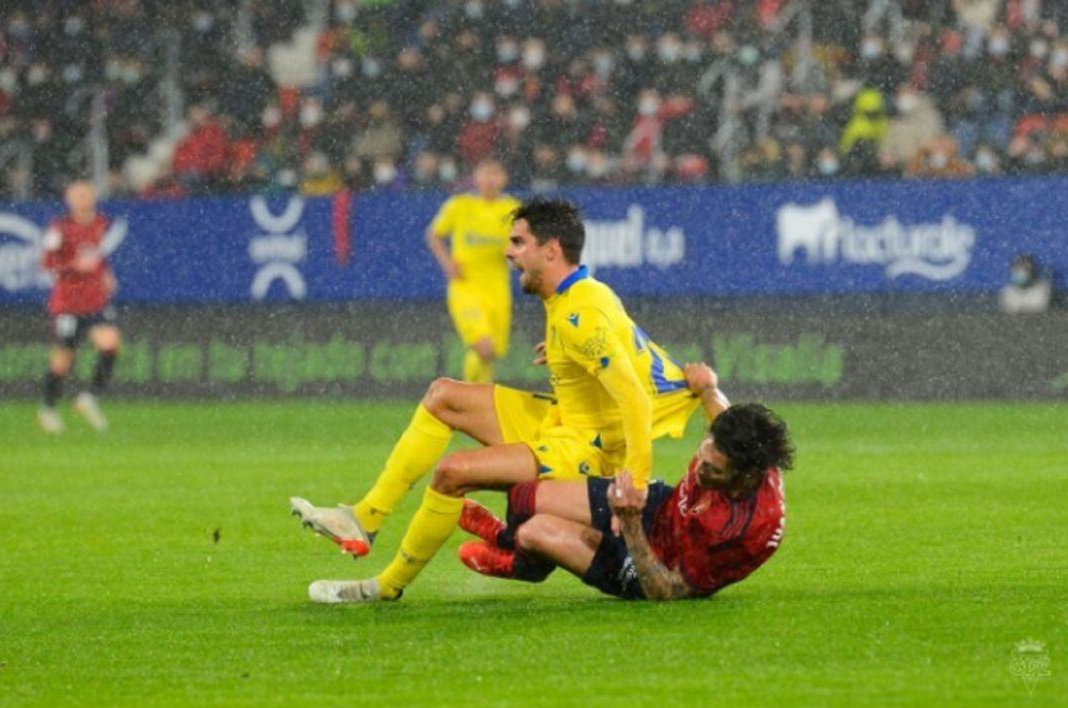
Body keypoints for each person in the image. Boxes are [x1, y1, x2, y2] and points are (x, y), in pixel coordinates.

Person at [296, 198, 703, 603]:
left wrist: (634, 485)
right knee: (444, 396)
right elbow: (637, 356)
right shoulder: (581, 294)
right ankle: (363, 520)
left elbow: (635, 397)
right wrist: (562, 348)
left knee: (452, 472)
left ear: (551, 250)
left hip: (585, 446)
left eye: (518, 242)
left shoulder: (581, 315)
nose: (507, 251)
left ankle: (384, 587)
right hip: (562, 418)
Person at [457, 365, 793, 601]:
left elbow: (667, 591)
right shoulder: (739, 445)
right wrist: (708, 388)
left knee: (534, 531)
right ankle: (507, 538)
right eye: (701, 456)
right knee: (523, 496)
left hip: (651, 563)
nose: (700, 471)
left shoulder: (737, 531)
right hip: (658, 507)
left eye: (713, 471)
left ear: (745, 476)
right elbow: (721, 414)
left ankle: (523, 563)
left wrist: (630, 523)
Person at [37, 181, 122, 434]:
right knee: (63, 361)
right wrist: (73, 265)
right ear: (68, 199)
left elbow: (98, 256)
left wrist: (106, 274)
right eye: (78, 195)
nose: (83, 199)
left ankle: (89, 398)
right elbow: (47, 264)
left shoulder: (100, 224)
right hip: (68, 305)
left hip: (95, 301)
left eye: (86, 195)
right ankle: (48, 408)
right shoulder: (59, 229)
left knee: (111, 344)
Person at [425, 159, 519, 383]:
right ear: (476, 177)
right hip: (465, 287)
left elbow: (522, 247)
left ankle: (476, 401)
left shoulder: (513, 209)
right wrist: (447, 263)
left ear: (504, 178)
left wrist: (516, 257)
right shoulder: (459, 205)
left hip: (497, 290)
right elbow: (434, 234)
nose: (490, 179)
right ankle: (471, 398)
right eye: (485, 173)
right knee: (484, 347)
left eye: (495, 173)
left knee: (491, 353)